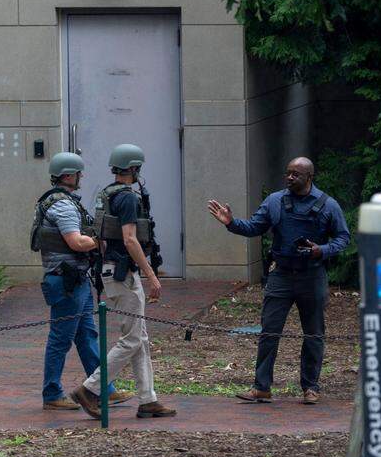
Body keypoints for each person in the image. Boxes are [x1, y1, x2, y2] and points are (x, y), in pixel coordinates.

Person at [207, 156, 350, 405]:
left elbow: (343, 238)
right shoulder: (275, 201)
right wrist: (231, 223)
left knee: (314, 334)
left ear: (309, 177)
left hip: (312, 275)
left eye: (296, 174)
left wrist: (321, 250)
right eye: (288, 173)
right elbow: (254, 227)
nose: (290, 178)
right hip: (281, 275)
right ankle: (262, 387)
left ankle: (310, 387)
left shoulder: (328, 205)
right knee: (269, 332)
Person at [71, 144, 175, 419]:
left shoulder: (106, 195)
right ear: (134, 168)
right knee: (131, 340)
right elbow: (130, 239)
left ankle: (148, 399)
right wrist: (151, 274)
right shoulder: (127, 198)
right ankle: (90, 388)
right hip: (123, 274)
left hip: (112, 272)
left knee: (139, 338)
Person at [32, 152, 133, 410]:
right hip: (66, 281)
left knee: (87, 335)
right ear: (68, 175)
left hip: (76, 280)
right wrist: (100, 241)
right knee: (60, 339)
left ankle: (102, 388)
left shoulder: (60, 201)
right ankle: (52, 394)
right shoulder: (62, 205)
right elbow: (76, 242)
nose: (81, 177)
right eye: (78, 173)